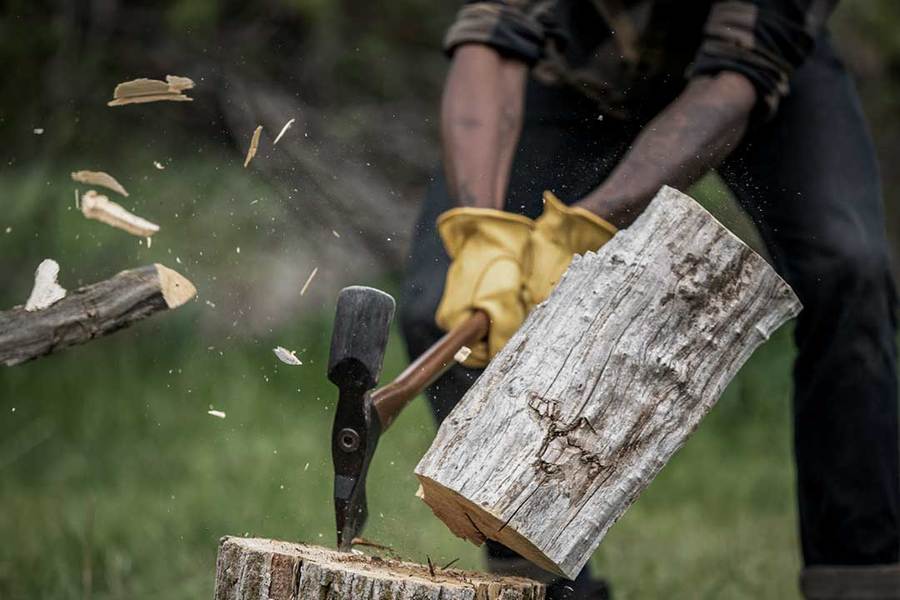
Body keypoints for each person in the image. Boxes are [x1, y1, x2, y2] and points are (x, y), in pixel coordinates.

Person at [399, 1, 900, 598]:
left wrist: (583, 225)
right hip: (578, 60)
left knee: (850, 271)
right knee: (441, 305)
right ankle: (546, 590)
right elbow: (492, 32)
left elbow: (737, 74)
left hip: (759, 69)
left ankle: (861, 580)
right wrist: (485, 232)